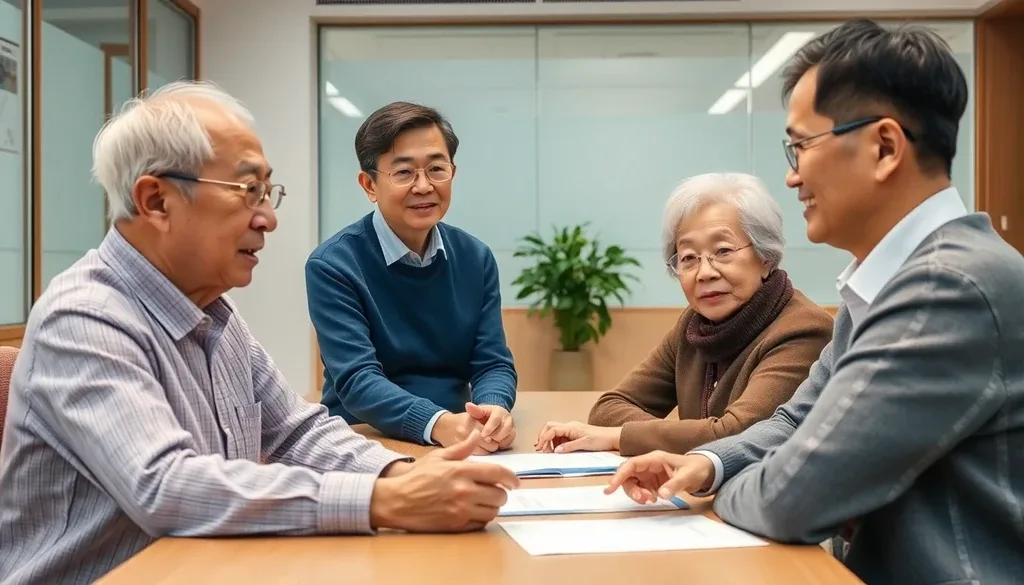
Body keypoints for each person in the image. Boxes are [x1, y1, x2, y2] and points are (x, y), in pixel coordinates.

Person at [0, 82, 519, 585]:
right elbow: (165, 486)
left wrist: (402, 474)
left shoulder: (215, 314)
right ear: (157, 202)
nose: (268, 218)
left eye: (268, 192)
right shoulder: (86, 318)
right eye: (248, 191)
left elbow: (297, 432)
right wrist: (387, 500)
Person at [605, 19, 1024, 585]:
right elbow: (798, 419)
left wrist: (727, 484)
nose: (792, 175)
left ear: (883, 147)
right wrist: (706, 463)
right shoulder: (882, 283)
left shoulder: (949, 287)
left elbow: (792, 497)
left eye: (802, 145)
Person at [534, 173, 833, 457]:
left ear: (765, 257)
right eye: (688, 258)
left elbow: (742, 435)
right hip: (695, 497)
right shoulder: (694, 327)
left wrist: (621, 437)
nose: (704, 272)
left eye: (724, 251)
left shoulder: (803, 329)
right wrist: (694, 435)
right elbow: (609, 407)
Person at [306, 102, 517, 452]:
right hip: (366, 439)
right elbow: (358, 381)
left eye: (436, 168)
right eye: (403, 173)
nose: (424, 186)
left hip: (459, 436)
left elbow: (492, 361)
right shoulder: (333, 265)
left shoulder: (475, 258)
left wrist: (493, 408)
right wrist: (437, 424)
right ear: (369, 185)